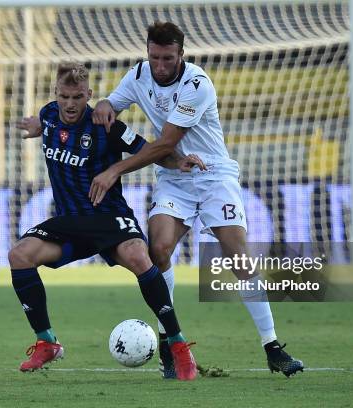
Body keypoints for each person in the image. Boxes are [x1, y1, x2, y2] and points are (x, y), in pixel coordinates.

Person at [91, 21, 304, 378]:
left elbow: (165, 144)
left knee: (237, 255)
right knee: (157, 250)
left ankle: (272, 347)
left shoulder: (197, 84)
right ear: (147, 53)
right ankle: (169, 346)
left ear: (182, 56)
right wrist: (102, 103)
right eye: (155, 57)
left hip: (213, 174)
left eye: (168, 59)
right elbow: (110, 104)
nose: (160, 66)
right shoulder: (139, 74)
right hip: (174, 178)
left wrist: (115, 170)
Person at [10, 62, 203, 380]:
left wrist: (179, 161)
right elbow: (46, 123)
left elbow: (147, 149)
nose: (70, 104)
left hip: (109, 217)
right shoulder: (48, 114)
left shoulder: (106, 125)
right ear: (55, 94)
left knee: (141, 257)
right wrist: (36, 126)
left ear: (89, 95)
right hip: (70, 222)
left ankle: (179, 346)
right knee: (19, 255)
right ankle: (47, 342)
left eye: (77, 97)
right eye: (64, 96)